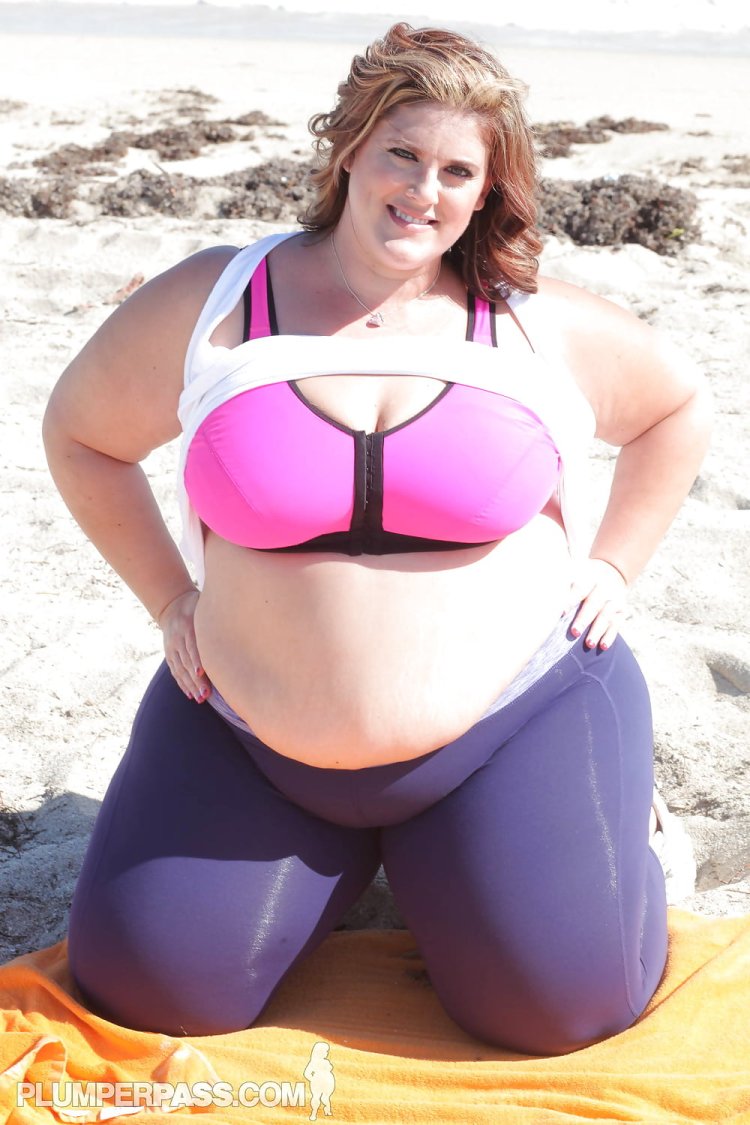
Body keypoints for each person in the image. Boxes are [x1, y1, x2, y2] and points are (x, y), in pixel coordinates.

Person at [43, 23, 711, 1054]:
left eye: (457, 170)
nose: (424, 190)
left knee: (559, 1014)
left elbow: (676, 410)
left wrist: (613, 566)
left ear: (487, 189)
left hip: (513, 720)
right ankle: (379, 859)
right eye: (402, 152)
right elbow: (82, 437)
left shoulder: (529, 325)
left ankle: (613, 833)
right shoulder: (218, 303)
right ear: (350, 147)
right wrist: (171, 601)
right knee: (147, 992)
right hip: (249, 735)